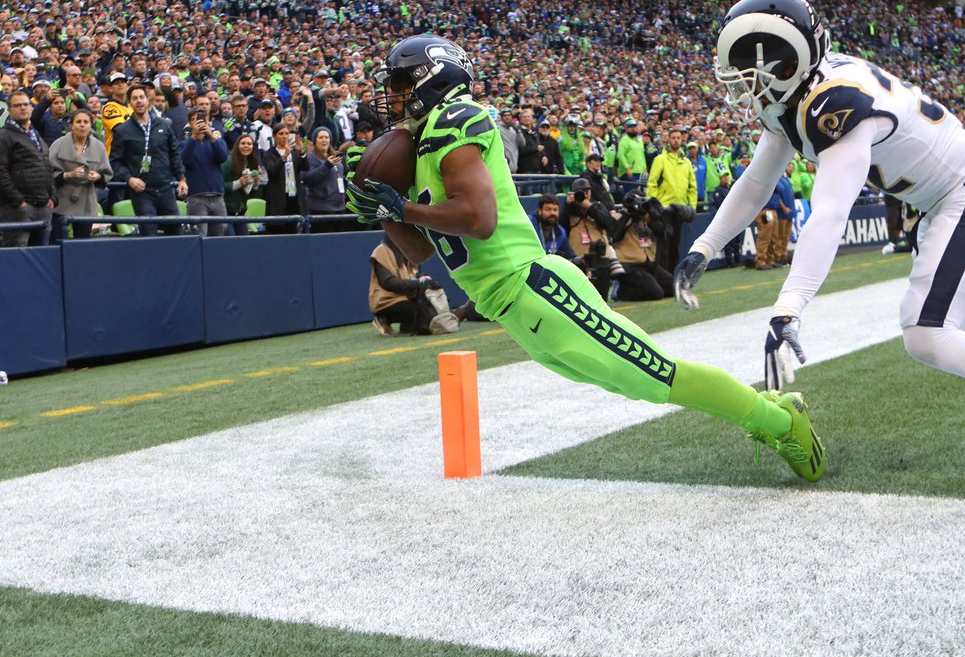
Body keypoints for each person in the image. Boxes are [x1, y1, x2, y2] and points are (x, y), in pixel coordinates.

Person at [673, 0, 965, 503]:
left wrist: (788, 308)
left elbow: (831, 212)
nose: (743, 86)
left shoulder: (833, 103)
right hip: (952, 199)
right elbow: (755, 181)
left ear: (786, 61)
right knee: (949, 339)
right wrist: (704, 247)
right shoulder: (799, 93)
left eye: (750, 73)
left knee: (929, 333)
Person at [346, 33, 825, 482]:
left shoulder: (456, 118)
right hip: (510, 306)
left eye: (402, 82)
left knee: (656, 374)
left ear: (437, 78)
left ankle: (779, 419)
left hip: (532, 286)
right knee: (635, 383)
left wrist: (402, 205)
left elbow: (478, 218)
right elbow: (421, 249)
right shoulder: (424, 145)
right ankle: (774, 414)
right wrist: (384, 212)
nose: (393, 94)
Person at [109, 85, 187, 236]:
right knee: (149, 233)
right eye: (134, 98)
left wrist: (182, 178)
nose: (139, 101)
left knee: (177, 232)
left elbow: (175, 153)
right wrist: (129, 178)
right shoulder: (122, 130)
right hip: (141, 192)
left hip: (165, 188)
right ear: (129, 103)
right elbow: (115, 162)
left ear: (148, 100)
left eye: (141, 97)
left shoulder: (165, 124)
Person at [0, 91, 54, 246]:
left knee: (41, 256)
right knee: (16, 254)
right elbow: (1, 172)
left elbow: (47, 167)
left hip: (43, 205)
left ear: (31, 108)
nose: (23, 108)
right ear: (9, 110)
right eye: (17, 105)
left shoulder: (35, 134)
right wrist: (18, 201)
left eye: (26, 104)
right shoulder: (4, 136)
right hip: (17, 209)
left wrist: (52, 197)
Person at [47, 108, 111, 240]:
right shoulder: (58, 145)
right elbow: (48, 173)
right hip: (62, 200)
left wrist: (98, 177)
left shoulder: (99, 146)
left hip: (86, 200)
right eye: (78, 122)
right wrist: (68, 175)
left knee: (82, 242)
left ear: (90, 125)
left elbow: (106, 174)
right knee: (57, 241)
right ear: (71, 125)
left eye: (86, 122)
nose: (82, 125)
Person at [646, 126, 698, 273]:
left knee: (675, 244)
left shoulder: (686, 162)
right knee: (663, 244)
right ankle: (662, 275)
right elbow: (652, 183)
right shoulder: (660, 159)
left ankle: (672, 275)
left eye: (678, 138)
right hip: (664, 209)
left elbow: (692, 187)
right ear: (668, 140)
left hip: (680, 210)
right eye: (673, 137)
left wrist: (691, 207)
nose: (676, 140)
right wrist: (654, 206)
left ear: (682, 140)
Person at [180, 109, 229, 237]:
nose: (200, 122)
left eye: (203, 119)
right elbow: (184, 160)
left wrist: (212, 136)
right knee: (199, 237)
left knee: (219, 237)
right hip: (196, 197)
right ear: (190, 123)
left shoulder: (217, 141)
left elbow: (223, 157)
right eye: (196, 119)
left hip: (218, 196)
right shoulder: (184, 144)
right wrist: (194, 138)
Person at [261, 123, 308, 234]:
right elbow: (272, 172)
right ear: (274, 136)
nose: (284, 136)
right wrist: (284, 157)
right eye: (281, 134)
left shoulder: (294, 152)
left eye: (287, 133)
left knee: (292, 229)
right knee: (276, 229)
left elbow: (306, 167)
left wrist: (302, 152)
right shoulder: (269, 154)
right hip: (277, 197)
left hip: (293, 195)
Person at [301, 125, 346, 232]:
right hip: (320, 208)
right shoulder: (310, 158)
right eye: (320, 137)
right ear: (315, 140)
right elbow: (307, 179)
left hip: (340, 207)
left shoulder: (335, 157)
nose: (324, 140)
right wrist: (326, 165)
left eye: (326, 137)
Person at [223, 132, 268, 235]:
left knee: (245, 240)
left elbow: (248, 190)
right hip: (225, 212)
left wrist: (255, 183)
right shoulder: (228, 160)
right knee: (231, 241)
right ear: (237, 145)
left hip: (240, 213)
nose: (246, 146)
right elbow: (217, 185)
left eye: (249, 143)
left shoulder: (251, 163)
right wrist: (239, 183)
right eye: (243, 143)